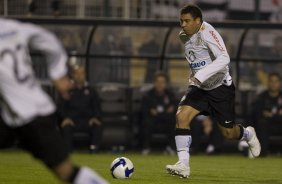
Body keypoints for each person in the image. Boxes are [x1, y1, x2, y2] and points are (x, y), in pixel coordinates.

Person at [0, 18, 108, 184]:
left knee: (65, 172)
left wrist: (57, 73)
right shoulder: (14, 27)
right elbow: (48, 39)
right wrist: (57, 73)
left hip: (31, 116)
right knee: (67, 173)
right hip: (26, 111)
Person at [166, 5, 261, 178]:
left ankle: (247, 133)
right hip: (200, 88)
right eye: (181, 21)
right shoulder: (183, 37)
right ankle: (183, 165)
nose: (183, 25)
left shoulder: (207, 32)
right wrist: (195, 75)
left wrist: (200, 75)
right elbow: (197, 59)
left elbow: (224, 58)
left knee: (228, 133)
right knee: (181, 117)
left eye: (187, 21)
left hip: (220, 89)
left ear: (198, 21)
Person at [59, 66, 103, 153]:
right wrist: (65, 118)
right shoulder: (67, 91)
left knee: (97, 125)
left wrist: (95, 117)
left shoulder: (91, 91)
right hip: (72, 120)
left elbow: (97, 106)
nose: (79, 76)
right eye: (77, 73)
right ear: (73, 75)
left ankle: (94, 149)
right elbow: (61, 107)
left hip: (88, 121)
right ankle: (67, 151)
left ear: (85, 75)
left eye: (81, 73)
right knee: (66, 127)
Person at [141, 72, 176, 155]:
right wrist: (150, 110)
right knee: (146, 122)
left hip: (166, 120)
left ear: (166, 84)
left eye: (162, 82)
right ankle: (146, 148)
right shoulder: (148, 95)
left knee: (174, 122)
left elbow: (173, 108)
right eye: (158, 82)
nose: (160, 84)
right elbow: (145, 110)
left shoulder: (170, 95)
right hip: (153, 120)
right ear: (154, 83)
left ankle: (170, 147)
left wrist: (172, 109)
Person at [251, 72, 282, 157]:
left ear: (280, 83)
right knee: (262, 123)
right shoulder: (262, 97)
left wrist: (270, 115)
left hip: (280, 126)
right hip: (267, 126)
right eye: (271, 81)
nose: (274, 84)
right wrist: (277, 115)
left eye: (276, 81)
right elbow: (258, 114)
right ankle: (262, 153)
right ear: (268, 83)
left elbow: (266, 114)